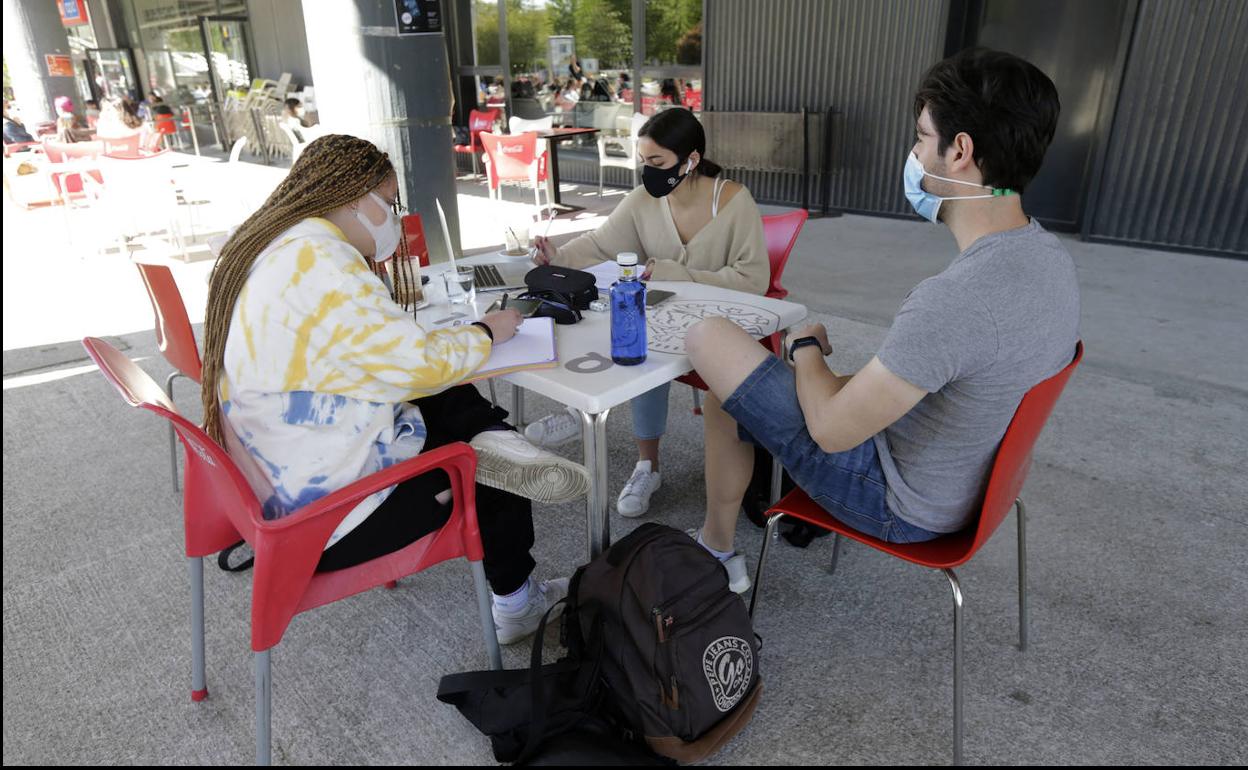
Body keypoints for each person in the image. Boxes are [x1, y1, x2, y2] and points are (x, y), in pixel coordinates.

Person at [681, 47, 1079, 593]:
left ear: (959, 150)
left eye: (921, 136)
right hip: (974, 484)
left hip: (901, 504)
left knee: (709, 336)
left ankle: (716, 545)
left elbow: (832, 431)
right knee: (726, 394)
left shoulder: (956, 299)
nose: (914, 153)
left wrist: (805, 350)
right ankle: (715, 541)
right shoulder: (1049, 259)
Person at [199, 134, 589, 644]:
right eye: (389, 203)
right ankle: (517, 602)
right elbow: (417, 363)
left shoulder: (272, 242)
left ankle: (499, 439)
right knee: (483, 473)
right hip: (326, 516)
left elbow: (386, 360)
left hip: (276, 472)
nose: (394, 219)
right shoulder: (327, 264)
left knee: (443, 395)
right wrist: (487, 332)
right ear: (352, 197)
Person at [526, 108, 769, 519]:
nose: (648, 172)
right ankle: (641, 460)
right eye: (644, 162)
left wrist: (676, 273)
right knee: (633, 328)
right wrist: (558, 257)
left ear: (690, 159)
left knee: (644, 335)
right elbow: (602, 244)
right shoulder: (642, 201)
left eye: (657, 163)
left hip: (721, 325)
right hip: (665, 316)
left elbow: (752, 281)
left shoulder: (732, 200)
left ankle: (599, 426)